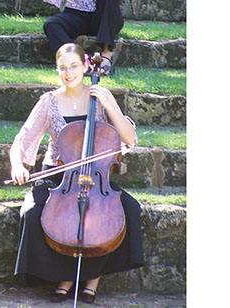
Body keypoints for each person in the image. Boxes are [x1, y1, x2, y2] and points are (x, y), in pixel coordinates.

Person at [9, 43, 144, 304]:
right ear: (57, 69)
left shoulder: (101, 97)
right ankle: (64, 276)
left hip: (96, 177)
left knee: (128, 210)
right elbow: (23, 139)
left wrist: (109, 103)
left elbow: (129, 140)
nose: (68, 73)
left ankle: (94, 278)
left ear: (85, 66)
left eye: (73, 66)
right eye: (63, 68)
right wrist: (18, 165)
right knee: (32, 213)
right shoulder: (49, 102)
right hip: (59, 177)